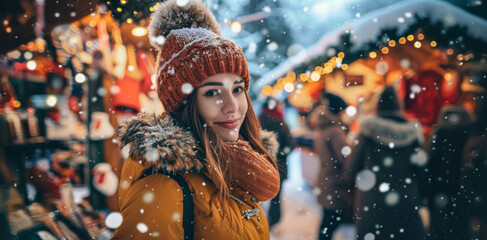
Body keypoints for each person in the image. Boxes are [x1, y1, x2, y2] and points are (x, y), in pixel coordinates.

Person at [111, 0, 280, 239]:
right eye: (212, 92)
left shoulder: (235, 165)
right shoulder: (162, 187)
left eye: (237, 89)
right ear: (183, 106)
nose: (232, 107)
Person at [347, 86, 425, 239]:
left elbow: (350, 169)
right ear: (399, 106)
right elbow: (422, 172)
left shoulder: (367, 133)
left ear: (378, 105)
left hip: (372, 203)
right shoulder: (413, 135)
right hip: (405, 202)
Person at [422, 105, 471, 239]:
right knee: (459, 228)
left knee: (439, 229)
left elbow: (427, 162)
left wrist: (425, 191)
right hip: (459, 190)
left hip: (440, 189)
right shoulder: (468, 135)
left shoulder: (437, 134)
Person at [311, 93, 353, 240]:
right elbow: (345, 157)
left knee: (327, 222)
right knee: (330, 222)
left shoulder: (324, 127)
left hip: (326, 180)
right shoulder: (335, 131)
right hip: (335, 182)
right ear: (338, 111)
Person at [258, 97, 293, 228]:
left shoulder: (256, 120)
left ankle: (256, 221)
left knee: (256, 196)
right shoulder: (281, 123)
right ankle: (274, 221)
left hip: (259, 165)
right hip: (279, 167)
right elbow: (290, 145)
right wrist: (280, 154)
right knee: (276, 198)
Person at [460, 99, 487, 239]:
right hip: (479, 181)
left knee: (477, 220)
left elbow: (466, 159)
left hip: (477, 182)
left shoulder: (473, 133)